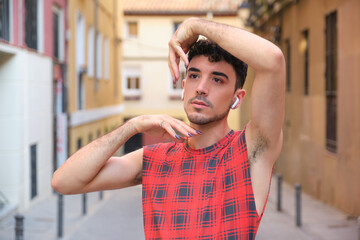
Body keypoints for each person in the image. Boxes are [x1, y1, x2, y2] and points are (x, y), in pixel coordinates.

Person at [52, 17, 285, 239]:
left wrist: (195, 27)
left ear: (238, 98)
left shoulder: (250, 152)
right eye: (194, 75)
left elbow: (273, 61)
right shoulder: (155, 160)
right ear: (183, 87)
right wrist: (133, 125)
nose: (201, 88)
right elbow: (64, 181)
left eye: (217, 79)